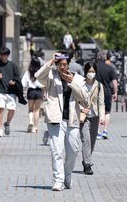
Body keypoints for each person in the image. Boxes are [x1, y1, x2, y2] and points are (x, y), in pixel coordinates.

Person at [35, 51, 90, 191]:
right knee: (56, 150)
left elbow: (86, 100)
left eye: (65, 64)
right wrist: (50, 62)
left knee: (73, 150)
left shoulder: (77, 78)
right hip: (55, 119)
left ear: (69, 64)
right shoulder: (51, 75)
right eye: (60, 65)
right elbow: (38, 76)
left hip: (72, 119)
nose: (63, 67)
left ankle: (67, 174)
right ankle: (58, 180)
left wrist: (72, 82)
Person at [80, 62, 105, 175]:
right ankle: (87, 164)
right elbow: (76, 99)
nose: (91, 73)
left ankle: (87, 158)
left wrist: (102, 116)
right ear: (85, 72)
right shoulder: (80, 84)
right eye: (89, 71)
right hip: (84, 116)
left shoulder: (99, 85)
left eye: (93, 71)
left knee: (93, 140)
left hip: (95, 116)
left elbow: (101, 102)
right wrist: (81, 109)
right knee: (86, 140)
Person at [0, 47, 20, 137]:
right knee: (0, 109)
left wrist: (14, 82)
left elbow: (17, 77)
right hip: (0, 90)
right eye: (1, 55)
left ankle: (7, 123)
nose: (2, 57)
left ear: (8, 55)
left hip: (11, 91)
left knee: (12, 109)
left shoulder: (13, 65)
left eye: (4, 55)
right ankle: (0, 130)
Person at [95, 50, 118, 139]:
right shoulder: (110, 68)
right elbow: (114, 82)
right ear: (106, 57)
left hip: (96, 91)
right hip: (107, 92)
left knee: (97, 111)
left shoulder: (94, 67)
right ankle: (105, 131)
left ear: (98, 57)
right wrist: (115, 92)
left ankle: (97, 132)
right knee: (107, 112)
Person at [21, 58, 44, 133]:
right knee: (37, 110)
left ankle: (31, 121)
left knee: (30, 109)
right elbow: (44, 84)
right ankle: (35, 127)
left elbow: (23, 83)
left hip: (31, 91)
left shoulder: (28, 72)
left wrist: (24, 90)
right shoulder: (41, 72)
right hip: (39, 91)